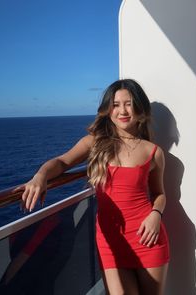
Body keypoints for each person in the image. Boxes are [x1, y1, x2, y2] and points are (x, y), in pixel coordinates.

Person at [21, 79, 170, 295]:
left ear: (140, 108)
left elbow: (159, 194)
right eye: (116, 104)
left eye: (128, 103)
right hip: (110, 240)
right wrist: (41, 175)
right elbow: (62, 162)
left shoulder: (153, 152)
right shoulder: (95, 142)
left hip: (148, 236)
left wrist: (156, 214)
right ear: (108, 109)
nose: (122, 110)